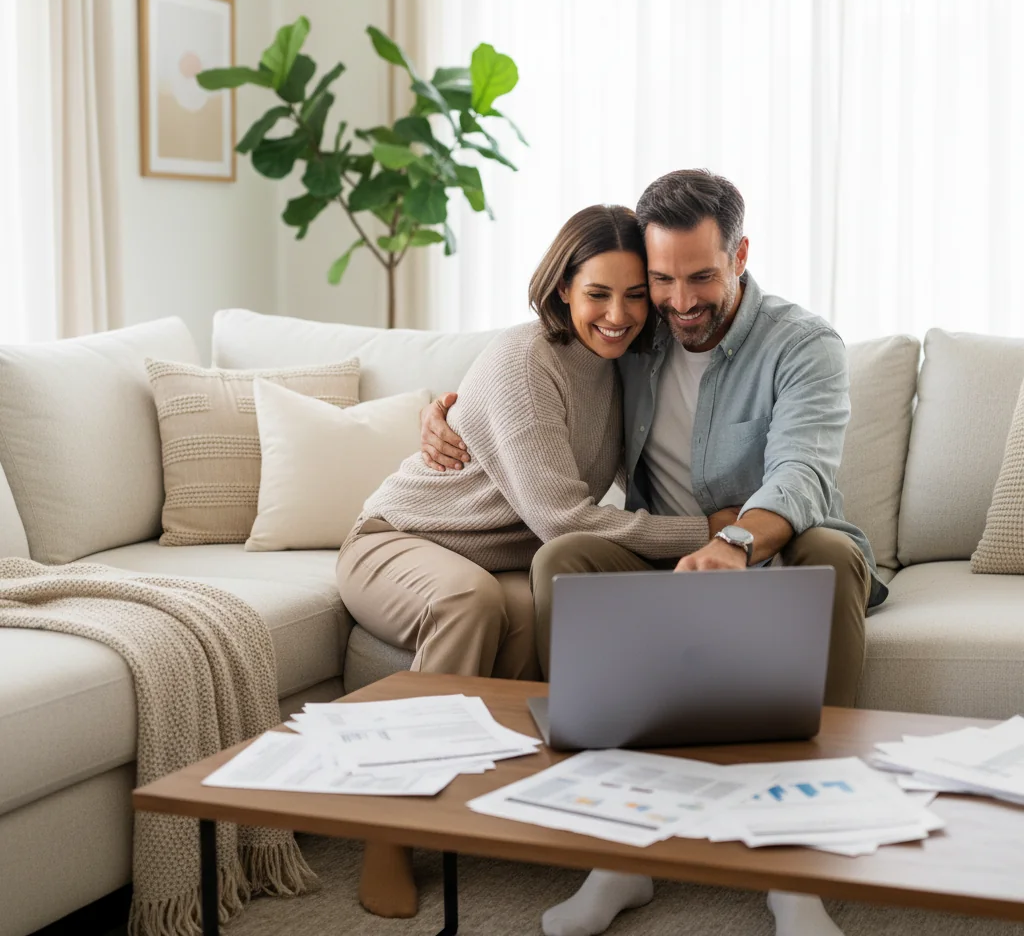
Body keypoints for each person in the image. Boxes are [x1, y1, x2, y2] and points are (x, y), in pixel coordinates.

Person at [420, 169, 885, 936]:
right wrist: (440, 411)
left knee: (832, 555)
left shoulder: (802, 344)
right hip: (660, 554)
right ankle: (617, 853)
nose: (679, 301)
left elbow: (801, 473)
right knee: (563, 558)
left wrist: (734, 541)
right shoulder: (637, 330)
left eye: (700, 277)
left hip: (777, 547)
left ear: (740, 255)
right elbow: (530, 364)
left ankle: (796, 873)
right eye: (661, 281)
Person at [337, 203, 729, 918]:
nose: (619, 314)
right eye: (598, 294)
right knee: (470, 603)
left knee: (546, 606)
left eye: (635, 295)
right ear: (561, 289)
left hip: (502, 558)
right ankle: (387, 830)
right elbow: (562, 518)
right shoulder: (526, 361)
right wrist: (705, 530)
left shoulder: (625, 366)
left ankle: (523, 800)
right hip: (401, 538)